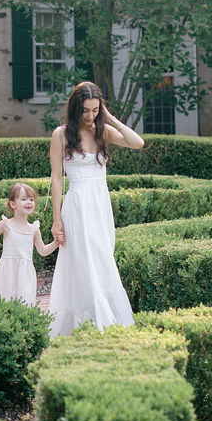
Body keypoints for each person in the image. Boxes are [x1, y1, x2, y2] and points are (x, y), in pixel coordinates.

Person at [48, 81, 144, 337]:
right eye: (85, 111)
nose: (90, 116)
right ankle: (92, 326)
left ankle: (102, 323)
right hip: (77, 206)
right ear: (75, 108)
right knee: (85, 263)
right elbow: (57, 178)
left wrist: (110, 117)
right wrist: (56, 219)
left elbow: (138, 143)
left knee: (102, 260)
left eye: (94, 110)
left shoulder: (103, 131)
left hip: (101, 207)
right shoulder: (61, 135)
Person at [0, 182, 59, 306]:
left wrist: (56, 242)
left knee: (25, 302)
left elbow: (42, 250)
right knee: (5, 302)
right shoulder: (6, 224)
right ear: (12, 204)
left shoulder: (34, 229)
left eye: (31, 199)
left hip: (25, 273)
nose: (29, 202)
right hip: (7, 272)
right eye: (24, 199)